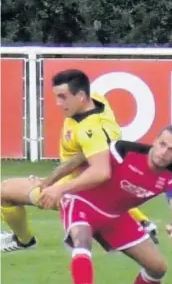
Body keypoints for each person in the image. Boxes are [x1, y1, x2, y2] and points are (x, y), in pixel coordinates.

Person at [40, 125, 172, 284]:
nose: (163, 152)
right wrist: (50, 183)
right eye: (162, 144)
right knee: (81, 239)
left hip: (116, 216)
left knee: (157, 267)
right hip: (82, 200)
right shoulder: (124, 150)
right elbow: (83, 158)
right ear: (155, 140)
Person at [0, 69, 157, 252]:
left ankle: (23, 240)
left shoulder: (89, 130)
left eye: (63, 97)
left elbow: (100, 171)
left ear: (81, 96)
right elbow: (93, 154)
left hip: (76, 191)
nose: (58, 103)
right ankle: (141, 222)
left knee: (4, 192)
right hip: (92, 184)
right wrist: (51, 179)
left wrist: (54, 186)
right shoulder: (98, 100)